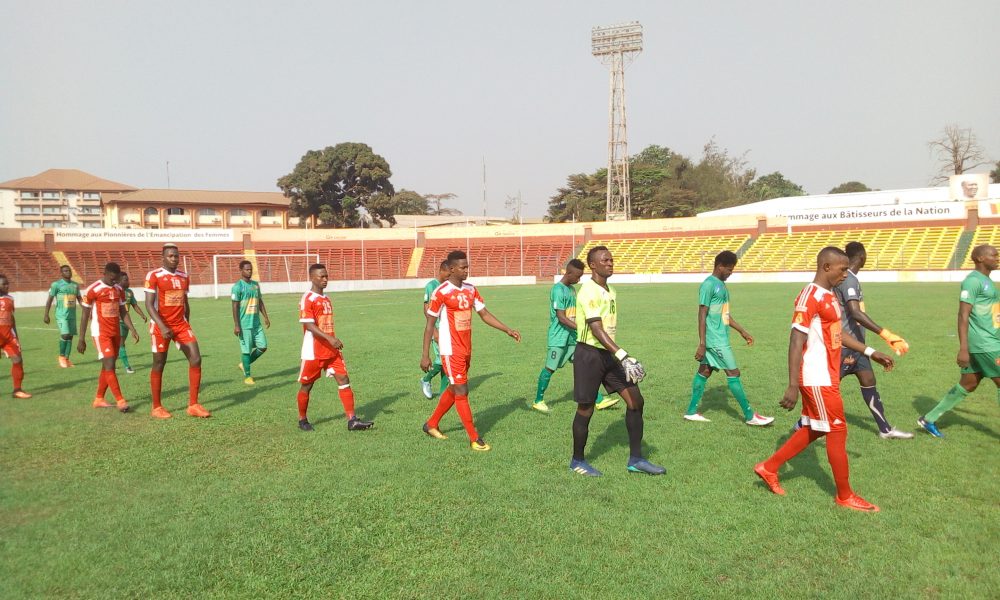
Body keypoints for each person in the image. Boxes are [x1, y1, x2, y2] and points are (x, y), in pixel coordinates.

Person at [754, 247, 893, 512]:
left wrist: (871, 352)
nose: (846, 273)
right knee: (838, 429)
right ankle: (845, 495)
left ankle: (768, 468)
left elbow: (838, 335)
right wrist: (793, 384)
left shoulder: (829, 296)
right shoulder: (809, 296)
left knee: (817, 428)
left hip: (827, 374)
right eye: (842, 269)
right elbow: (796, 339)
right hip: (815, 375)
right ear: (826, 267)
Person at [568, 246, 665, 476]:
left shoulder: (610, 290)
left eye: (611, 259)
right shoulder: (588, 291)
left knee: (635, 401)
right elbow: (596, 329)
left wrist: (617, 355)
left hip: (608, 354)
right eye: (605, 260)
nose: (610, 263)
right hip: (589, 355)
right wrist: (623, 356)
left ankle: (636, 459)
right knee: (586, 408)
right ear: (593, 265)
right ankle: (577, 460)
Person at [420, 250, 521, 451]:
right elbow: (430, 324)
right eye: (463, 267)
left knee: (454, 387)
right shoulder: (441, 292)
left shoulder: (470, 289)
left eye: (467, 266)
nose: (467, 270)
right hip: (450, 350)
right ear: (451, 269)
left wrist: (507, 329)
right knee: (462, 390)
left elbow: (483, 313)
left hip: (466, 348)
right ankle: (474, 438)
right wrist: (425, 355)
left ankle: (431, 424)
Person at [833, 242, 913, 439]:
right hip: (844, 345)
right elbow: (855, 313)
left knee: (869, 380)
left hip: (858, 345)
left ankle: (885, 429)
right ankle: (804, 422)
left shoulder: (848, 278)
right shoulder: (849, 280)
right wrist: (886, 334)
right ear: (862, 256)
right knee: (829, 389)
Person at [919, 244, 1000, 437]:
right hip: (983, 344)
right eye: (994, 255)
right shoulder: (972, 282)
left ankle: (928, 419)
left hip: (989, 340)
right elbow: (963, 315)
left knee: (969, 383)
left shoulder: (986, 280)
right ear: (980, 258)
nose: (997, 258)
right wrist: (963, 348)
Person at [686, 251, 773, 426]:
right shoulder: (708, 285)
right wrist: (702, 343)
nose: (731, 273)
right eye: (729, 270)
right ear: (720, 266)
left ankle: (691, 411)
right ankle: (750, 416)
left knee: (705, 371)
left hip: (719, 338)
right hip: (715, 340)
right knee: (734, 372)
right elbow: (702, 314)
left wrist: (742, 331)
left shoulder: (722, 286)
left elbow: (725, 315)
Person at [296, 263, 374, 432]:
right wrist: (329, 339)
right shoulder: (307, 298)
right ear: (312, 277)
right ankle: (302, 419)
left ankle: (352, 420)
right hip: (314, 351)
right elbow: (308, 325)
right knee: (307, 385)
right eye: (321, 276)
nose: (325, 279)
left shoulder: (326, 298)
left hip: (331, 350)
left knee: (344, 379)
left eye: (326, 276)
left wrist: (331, 341)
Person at [533, 258, 617, 414]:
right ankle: (538, 400)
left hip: (572, 337)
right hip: (558, 337)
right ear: (569, 273)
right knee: (550, 368)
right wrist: (582, 328)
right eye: (577, 276)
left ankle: (598, 399)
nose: (578, 280)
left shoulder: (571, 290)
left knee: (583, 366)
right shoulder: (557, 290)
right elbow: (561, 317)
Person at [144, 243, 210, 419]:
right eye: (171, 256)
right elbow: (149, 305)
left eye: (176, 256)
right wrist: (163, 326)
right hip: (160, 326)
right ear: (163, 257)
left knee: (196, 358)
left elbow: (184, 300)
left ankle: (193, 405)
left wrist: (187, 319)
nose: (174, 259)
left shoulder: (184, 276)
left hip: (181, 325)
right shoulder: (154, 276)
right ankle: (157, 407)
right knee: (159, 363)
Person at [78, 262, 140, 412]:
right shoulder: (94, 289)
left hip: (115, 332)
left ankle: (99, 398)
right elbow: (85, 314)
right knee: (110, 364)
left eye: (116, 278)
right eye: (112, 278)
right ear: (105, 273)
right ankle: (120, 400)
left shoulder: (119, 289)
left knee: (107, 366)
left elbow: (123, 312)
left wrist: (132, 329)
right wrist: (81, 339)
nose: (114, 281)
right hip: (101, 333)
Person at [232, 260, 270, 385]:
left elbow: (260, 301)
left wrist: (265, 317)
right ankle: (247, 376)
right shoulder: (237, 287)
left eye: (250, 269)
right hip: (244, 325)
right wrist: (237, 325)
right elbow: (235, 306)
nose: (249, 271)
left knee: (263, 346)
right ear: (241, 270)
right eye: (247, 269)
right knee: (246, 350)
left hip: (256, 323)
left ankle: (244, 364)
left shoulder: (255, 285)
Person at [419, 260, 450, 399]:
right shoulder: (431, 286)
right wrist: (434, 331)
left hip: (447, 329)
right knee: (441, 359)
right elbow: (426, 309)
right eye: (449, 272)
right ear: (442, 270)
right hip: (436, 328)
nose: (450, 275)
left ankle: (444, 394)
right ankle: (426, 379)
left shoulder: (448, 286)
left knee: (446, 359)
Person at [43, 265, 82, 368]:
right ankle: (61, 357)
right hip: (61, 315)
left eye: (69, 270)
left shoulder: (75, 285)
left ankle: (67, 359)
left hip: (72, 315)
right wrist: (46, 314)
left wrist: (87, 310)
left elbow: (79, 298)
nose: (68, 272)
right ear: (61, 273)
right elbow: (49, 300)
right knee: (65, 334)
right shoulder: (56, 285)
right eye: (65, 271)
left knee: (70, 336)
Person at [0, 275, 32, 398]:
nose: (7, 286)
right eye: (4, 284)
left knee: (18, 360)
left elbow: (11, 318)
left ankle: (17, 390)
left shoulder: (10, 299)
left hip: (8, 336)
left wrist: (16, 336)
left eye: (7, 283)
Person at [117, 272, 147, 374]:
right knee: (121, 344)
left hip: (126, 322)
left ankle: (111, 362)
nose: (128, 281)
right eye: (125, 280)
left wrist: (142, 315)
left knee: (120, 344)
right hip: (117, 322)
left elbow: (134, 305)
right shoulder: (115, 291)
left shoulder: (129, 292)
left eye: (128, 279)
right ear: (119, 281)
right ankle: (127, 366)